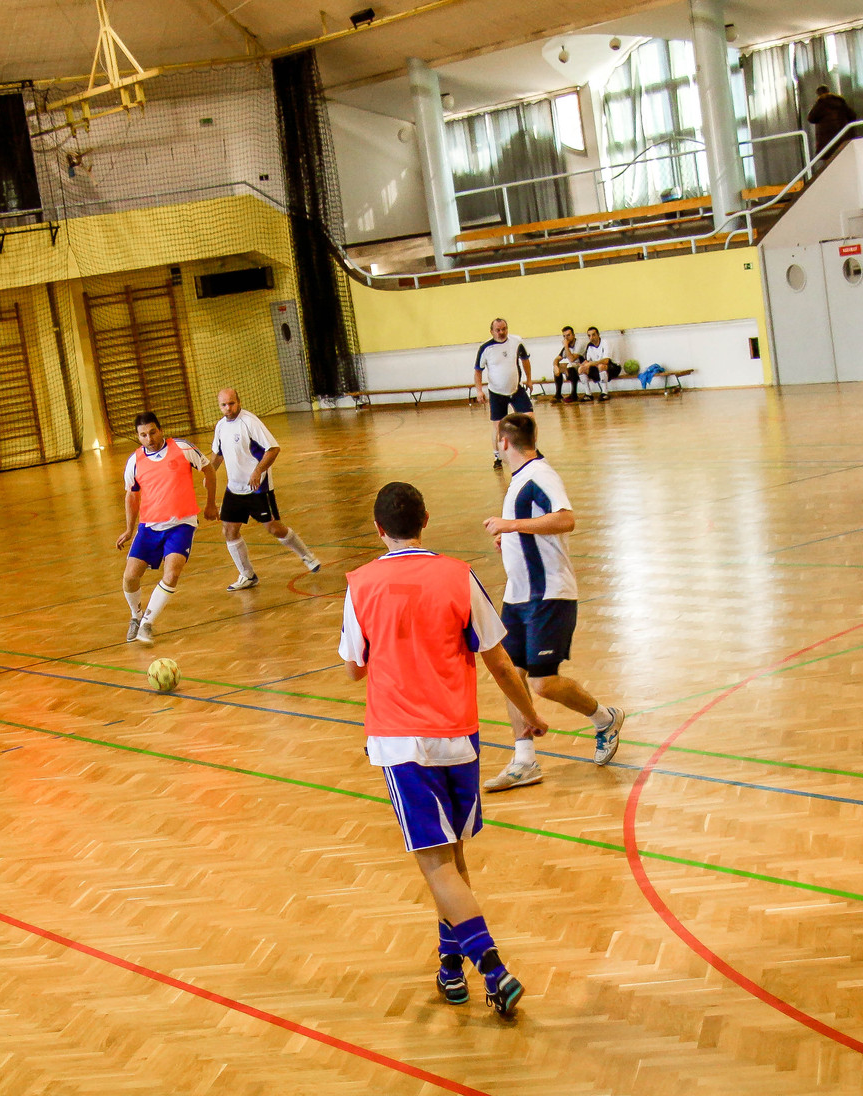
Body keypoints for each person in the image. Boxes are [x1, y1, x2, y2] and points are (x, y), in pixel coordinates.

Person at [337, 480, 546, 1017]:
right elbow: (499, 660)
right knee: (453, 859)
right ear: (425, 520)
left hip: (401, 740)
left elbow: (355, 668)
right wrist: (528, 714)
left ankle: (493, 970)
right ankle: (451, 969)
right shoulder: (459, 575)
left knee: (436, 866)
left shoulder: (360, 584)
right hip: (459, 737)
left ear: (378, 529)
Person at [479, 414, 622, 791]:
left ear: (504, 441)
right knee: (511, 676)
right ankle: (524, 760)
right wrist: (510, 539)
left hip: (548, 594)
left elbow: (565, 520)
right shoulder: (518, 481)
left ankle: (605, 719)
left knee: (542, 683)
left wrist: (510, 527)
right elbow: (535, 528)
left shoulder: (540, 475)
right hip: (518, 595)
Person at [117, 411, 218, 644]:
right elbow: (131, 496)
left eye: (152, 432)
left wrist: (211, 503)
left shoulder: (182, 448)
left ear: (160, 430)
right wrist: (129, 529)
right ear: (138, 437)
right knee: (130, 577)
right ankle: (136, 617)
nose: (149, 438)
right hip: (149, 527)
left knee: (172, 573)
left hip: (181, 524)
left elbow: (209, 470)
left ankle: (147, 624)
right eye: (143, 435)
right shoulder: (134, 461)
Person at [210, 387, 320, 591]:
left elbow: (273, 449)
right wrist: (209, 472)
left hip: (258, 487)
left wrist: (258, 471)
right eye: (223, 405)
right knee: (229, 530)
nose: (228, 408)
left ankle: (307, 555)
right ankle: (247, 575)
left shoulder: (249, 422)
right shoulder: (220, 427)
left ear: (239, 402)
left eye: (231, 403)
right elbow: (218, 454)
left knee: (274, 528)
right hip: (234, 488)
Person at [472, 317, 531, 468]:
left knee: (529, 419)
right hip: (497, 393)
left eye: (504, 329)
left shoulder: (517, 342)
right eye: (498, 330)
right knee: (499, 427)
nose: (501, 332)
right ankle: (497, 457)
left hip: (516, 390)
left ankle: (532, 450)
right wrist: (479, 391)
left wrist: (529, 379)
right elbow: (478, 371)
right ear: (491, 331)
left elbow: (525, 360)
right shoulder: (485, 348)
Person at [808, 84, 858, 162]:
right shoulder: (840, 102)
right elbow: (852, 116)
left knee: (830, 164)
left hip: (827, 141)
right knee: (846, 161)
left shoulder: (820, 103)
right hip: (842, 138)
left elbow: (811, 118)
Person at [578, 326, 620, 401]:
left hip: (613, 367)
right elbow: (588, 361)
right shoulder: (589, 346)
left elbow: (606, 361)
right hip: (597, 368)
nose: (591, 337)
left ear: (598, 335)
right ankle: (588, 394)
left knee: (601, 366)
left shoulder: (605, 342)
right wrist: (583, 365)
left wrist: (591, 363)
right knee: (581, 369)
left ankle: (605, 393)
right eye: (589, 336)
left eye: (593, 335)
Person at [552, 326, 586, 403]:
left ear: (573, 335)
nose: (566, 338)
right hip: (574, 365)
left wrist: (566, 346)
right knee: (559, 367)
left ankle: (574, 394)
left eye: (568, 335)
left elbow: (572, 359)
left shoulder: (579, 344)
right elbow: (557, 359)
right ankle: (558, 395)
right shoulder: (567, 346)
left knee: (570, 367)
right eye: (564, 336)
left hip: (584, 365)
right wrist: (555, 366)